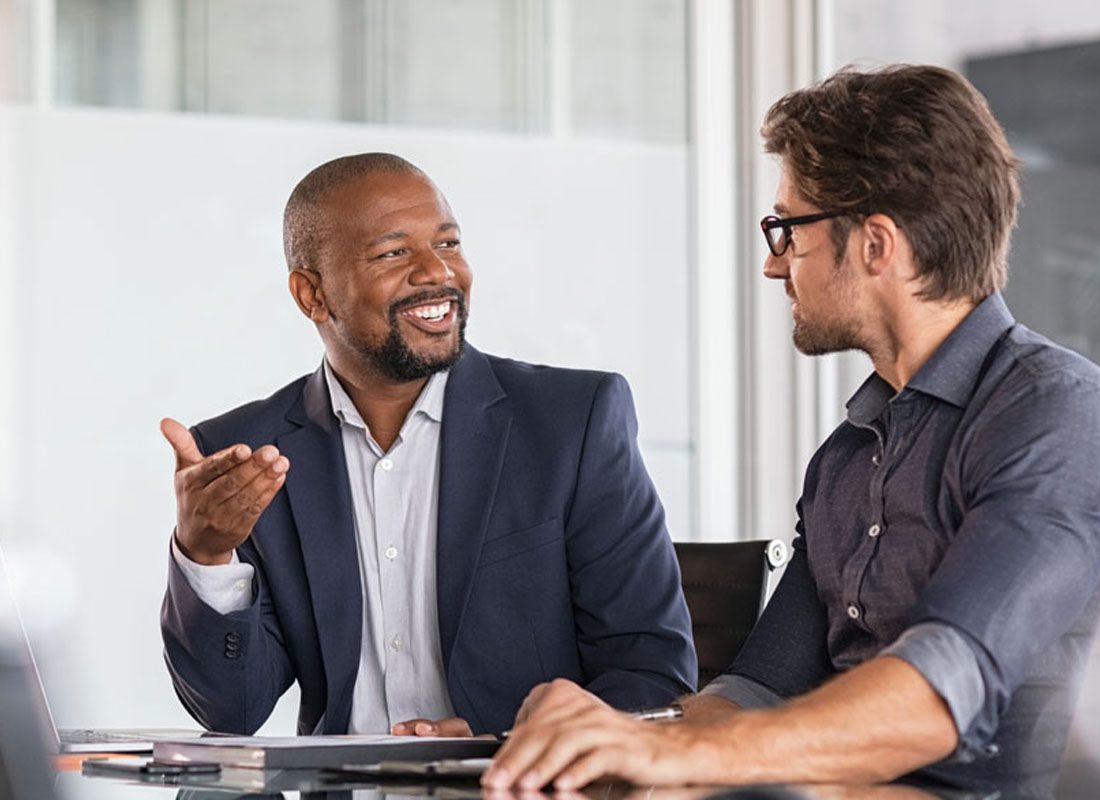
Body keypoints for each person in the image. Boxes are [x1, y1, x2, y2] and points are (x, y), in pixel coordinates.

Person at [484, 65, 1100, 796]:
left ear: (876, 244)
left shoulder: (1056, 412)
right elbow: (755, 693)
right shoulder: (845, 459)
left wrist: (681, 761)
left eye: (788, 229)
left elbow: (941, 692)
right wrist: (612, 740)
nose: (775, 265)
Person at [159, 153, 696, 738]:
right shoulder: (246, 456)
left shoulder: (572, 424)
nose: (437, 272)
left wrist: (505, 747)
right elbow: (232, 711)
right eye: (393, 253)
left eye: (448, 243)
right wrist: (205, 555)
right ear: (311, 295)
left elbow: (651, 675)